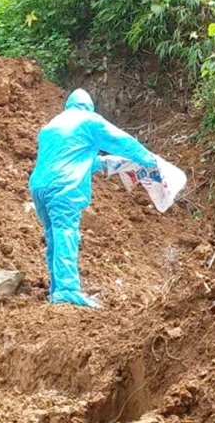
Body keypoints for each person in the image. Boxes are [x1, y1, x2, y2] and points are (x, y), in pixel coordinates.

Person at [30, 88, 158, 308]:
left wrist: (112, 164)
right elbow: (120, 140)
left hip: (39, 187)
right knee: (66, 232)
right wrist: (148, 159)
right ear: (89, 107)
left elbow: (72, 158)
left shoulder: (51, 127)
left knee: (53, 234)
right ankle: (67, 290)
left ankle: (56, 289)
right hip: (64, 187)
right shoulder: (89, 121)